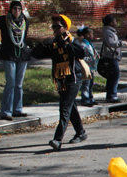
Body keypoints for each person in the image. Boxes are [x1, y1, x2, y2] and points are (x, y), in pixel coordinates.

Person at [31, 15, 87, 151]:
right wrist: (43, 44)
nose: (55, 29)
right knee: (70, 106)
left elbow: (81, 54)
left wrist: (68, 45)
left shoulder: (71, 40)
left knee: (64, 109)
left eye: (58, 26)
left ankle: (57, 139)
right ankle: (81, 132)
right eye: (53, 26)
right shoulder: (54, 43)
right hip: (60, 80)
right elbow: (36, 54)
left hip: (73, 79)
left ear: (65, 27)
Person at [0, 0, 30, 120]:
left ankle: (17, 109)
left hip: (22, 55)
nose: (17, 11)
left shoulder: (24, 21)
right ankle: (6, 112)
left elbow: (24, 37)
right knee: (10, 83)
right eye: (14, 9)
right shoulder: (4, 20)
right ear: (10, 10)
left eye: (19, 9)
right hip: (8, 54)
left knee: (19, 84)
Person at [100, 14, 127, 103]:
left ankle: (111, 95)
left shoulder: (111, 31)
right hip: (111, 57)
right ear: (111, 23)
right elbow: (111, 43)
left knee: (112, 77)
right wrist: (121, 43)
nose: (116, 23)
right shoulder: (108, 32)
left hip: (113, 57)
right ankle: (112, 95)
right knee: (114, 77)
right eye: (115, 21)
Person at [75, 26, 99, 106]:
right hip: (86, 67)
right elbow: (83, 56)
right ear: (87, 34)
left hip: (91, 67)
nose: (92, 35)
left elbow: (93, 52)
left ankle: (90, 98)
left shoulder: (90, 44)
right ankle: (85, 99)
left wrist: (96, 55)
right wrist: (91, 58)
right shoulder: (83, 45)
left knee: (91, 83)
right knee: (86, 83)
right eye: (91, 34)